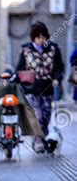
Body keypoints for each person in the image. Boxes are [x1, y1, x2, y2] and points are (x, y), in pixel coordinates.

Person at [15, 21, 64, 153]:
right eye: (38, 37)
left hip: (47, 87)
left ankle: (45, 137)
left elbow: (59, 67)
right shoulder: (26, 50)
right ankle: (38, 140)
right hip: (31, 88)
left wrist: (56, 78)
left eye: (43, 37)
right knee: (37, 114)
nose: (41, 40)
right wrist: (19, 79)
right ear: (33, 38)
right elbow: (19, 68)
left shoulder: (53, 49)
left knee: (46, 115)